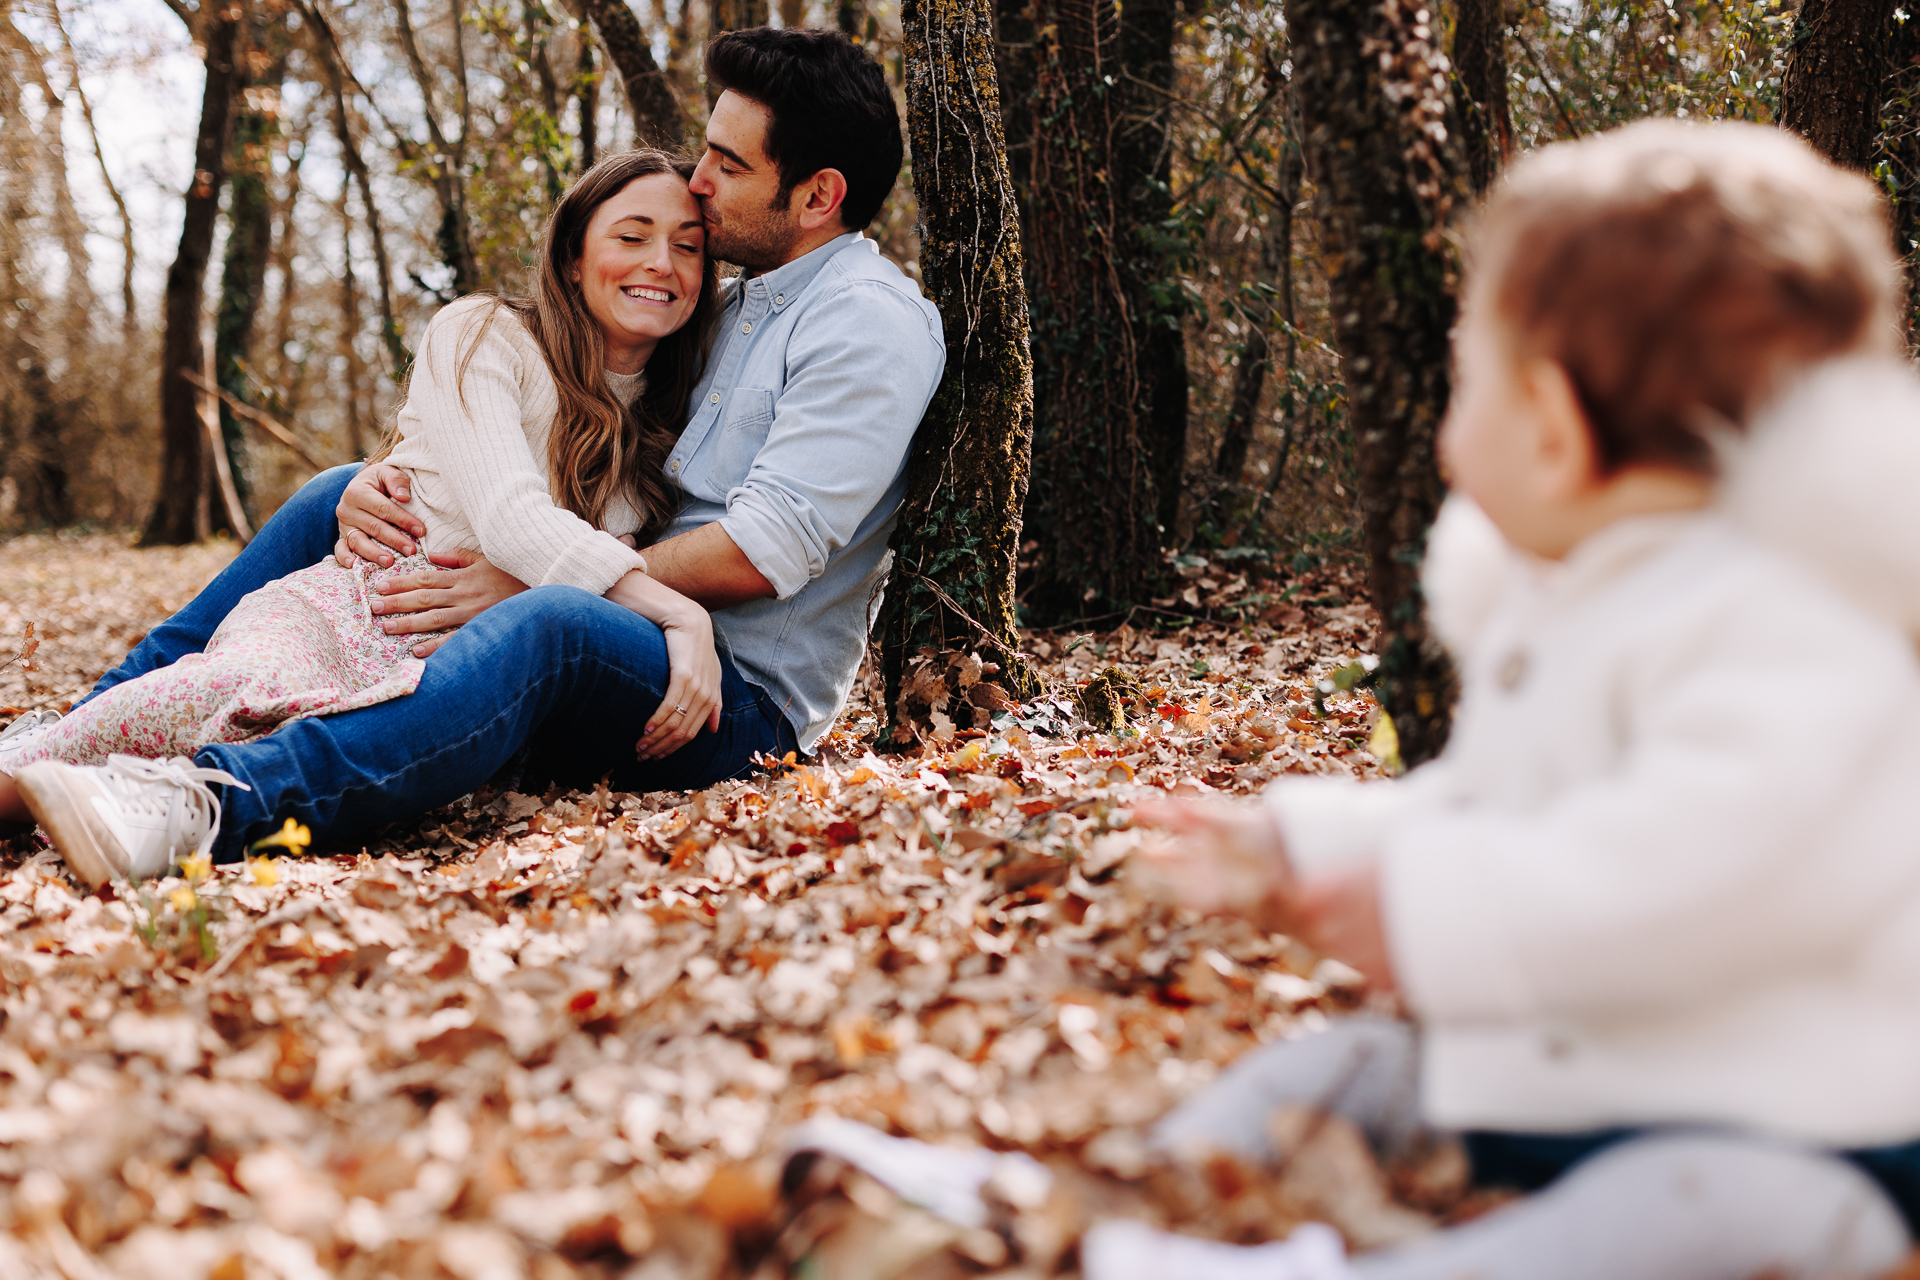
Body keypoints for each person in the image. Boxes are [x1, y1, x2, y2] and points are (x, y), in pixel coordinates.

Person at [1085, 120, 1920, 1280]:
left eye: (1467, 376)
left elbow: (1690, 874)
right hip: (1575, 1081)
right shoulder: (1568, 605)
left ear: (1555, 425)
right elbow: (1485, 802)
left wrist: (1421, 909)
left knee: (1696, 1212)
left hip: (1795, 1127)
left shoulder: (1797, 629)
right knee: (1345, 1068)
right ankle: (1122, 1200)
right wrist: (1298, 840)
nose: (1448, 417)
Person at [1, 27, 944, 881]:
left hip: (724, 697)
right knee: (335, 492)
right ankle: (68, 738)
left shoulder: (867, 324)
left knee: (551, 627)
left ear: (818, 195)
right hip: (630, 623)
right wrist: (402, 475)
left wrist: (546, 582)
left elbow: (760, 551)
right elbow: (563, 439)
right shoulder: (726, 307)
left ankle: (214, 803)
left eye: (728, 164)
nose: (698, 180)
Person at [1, 150, 725, 883]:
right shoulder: (482, 334)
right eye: (631, 237)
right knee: (216, 691)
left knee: (302, 745)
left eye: (688, 246)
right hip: (359, 608)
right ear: (573, 257)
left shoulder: (666, 421)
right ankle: (33, 774)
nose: (661, 262)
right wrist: (680, 616)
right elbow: (511, 516)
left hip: (452, 666)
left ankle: (124, 802)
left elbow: (590, 564)